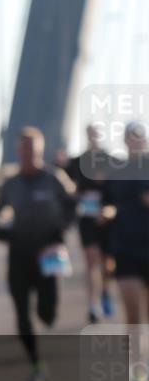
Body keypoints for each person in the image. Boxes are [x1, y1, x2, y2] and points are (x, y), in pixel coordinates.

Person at [0, 127, 76, 381]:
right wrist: (4, 232)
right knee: (22, 314)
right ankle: (36, 362)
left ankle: (46, 316)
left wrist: (61, 232)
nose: (28, 154)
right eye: (24, 149)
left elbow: (72, 203)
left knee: (48, 313)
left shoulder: (53, 178)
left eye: (32, 149)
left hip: (48, 255)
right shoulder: (11, 184)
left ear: (40, 151)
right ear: (18, 151)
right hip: (19, 255)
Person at [102, 120, 149, 381]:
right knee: (133, 314)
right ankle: (138, 375)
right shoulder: (115, 172)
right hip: (126, 250)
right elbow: (106, 201)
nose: (136, 142)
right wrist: (105, 212)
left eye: (139, 138)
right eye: (131, 138)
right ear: (125, 141)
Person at [65, 124, 115, 323]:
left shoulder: (110, 161)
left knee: (106, 264)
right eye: (89, 134)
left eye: (96, 134)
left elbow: (117, 190)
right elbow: (65, 182)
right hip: (87, 218)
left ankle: (105, 291)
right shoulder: (78, 161)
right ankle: (93, 305)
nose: (93, 137)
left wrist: (109, 210)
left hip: (107, 217)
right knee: (90, 261)